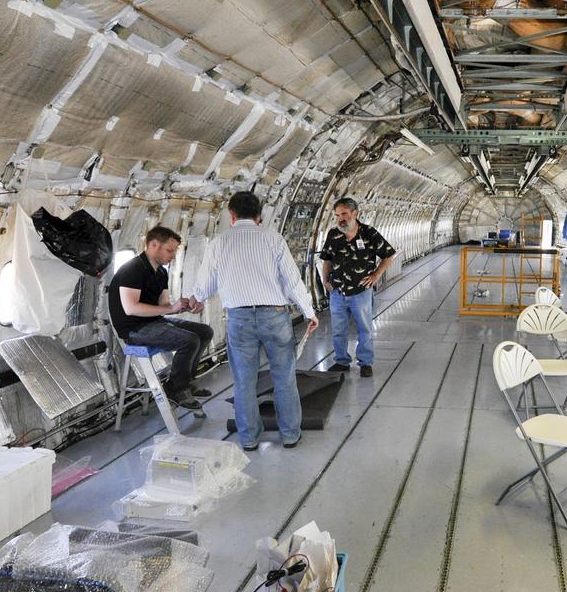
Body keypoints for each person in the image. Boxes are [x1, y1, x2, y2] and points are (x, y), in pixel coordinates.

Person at [191, 192, 318, 450]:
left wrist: (196, 299)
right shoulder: (273, 239)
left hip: (239, 319)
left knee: (244, 382)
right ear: (259, 215)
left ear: (232, 214)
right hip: (275, 316)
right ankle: (290, 435)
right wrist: (309, 311)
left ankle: (249, 438)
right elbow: (292, 280)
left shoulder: (218, 243)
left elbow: (205, 285)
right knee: (284, 378)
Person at [107, 225, 214, 411]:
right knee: (189, 340)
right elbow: (131, 308)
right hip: (134, 329)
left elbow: (164, 306)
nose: (173, 256)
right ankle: (176, 388)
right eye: (169, 251)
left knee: (205, 331)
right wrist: (171, 308)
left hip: (154, 322)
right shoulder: (133, 269)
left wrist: (185, 307)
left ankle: (185, 382)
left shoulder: (161, 272)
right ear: (154, 245)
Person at [318, 197, 396, 377]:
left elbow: (388, 255)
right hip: (337, 291)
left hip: (361, 291)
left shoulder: (369, 233)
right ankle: (341, 361)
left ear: (355, 213)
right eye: (337, 215)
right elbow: (327, 259)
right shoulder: (333, 235)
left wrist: (376, 275)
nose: (341, 219)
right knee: (338, 330)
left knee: (364, 328)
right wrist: (325, 279)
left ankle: (365, 362)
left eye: (344, 214)